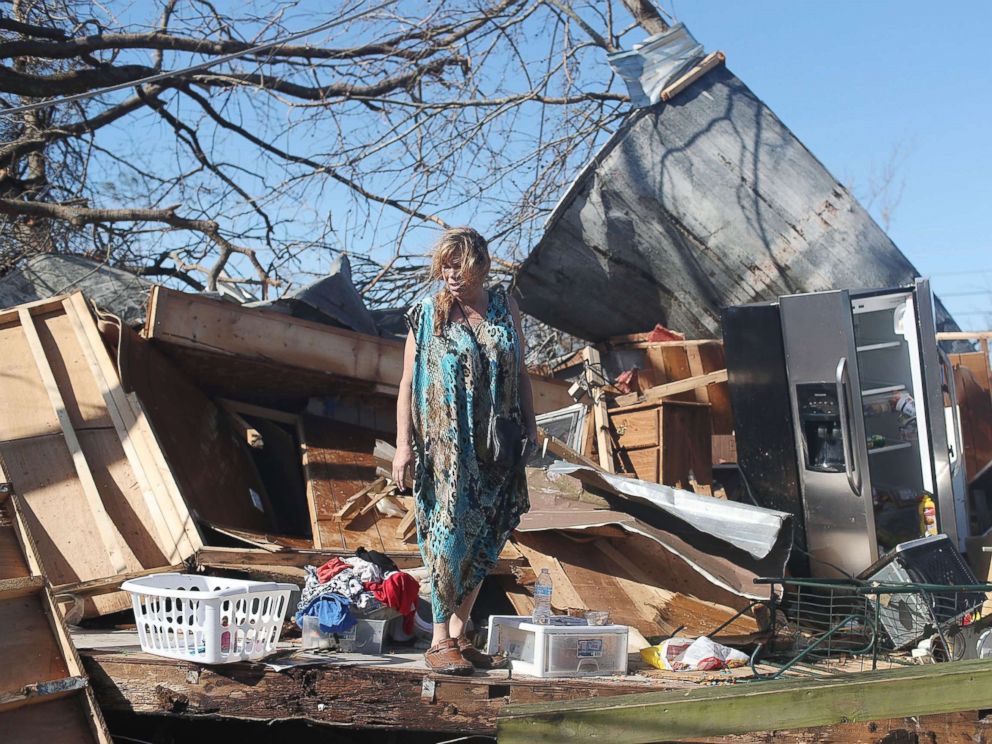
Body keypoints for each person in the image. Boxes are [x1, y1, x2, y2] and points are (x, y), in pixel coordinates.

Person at [392, 227, 536, 675]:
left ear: (482, 265)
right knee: (449, 533)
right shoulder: (426, 314)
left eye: (461, 266)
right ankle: (438, 639)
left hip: (497, 444)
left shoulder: (503, 307)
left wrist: (531, 422)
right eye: (446, 266)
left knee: (488, 534)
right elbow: (408, 383)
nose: (452, 275)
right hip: (446, 446)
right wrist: (402, 446)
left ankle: (458, 633)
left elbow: (521, 371)